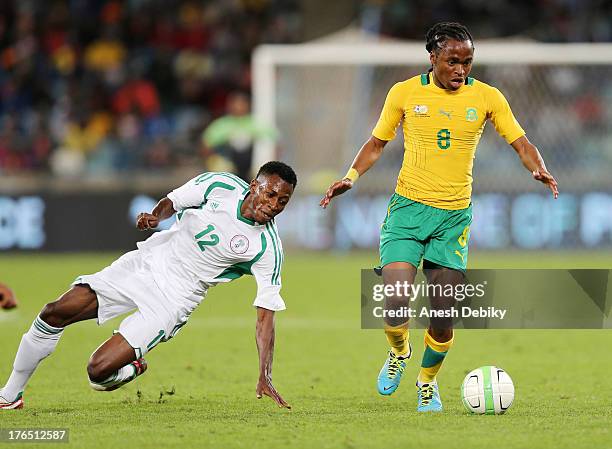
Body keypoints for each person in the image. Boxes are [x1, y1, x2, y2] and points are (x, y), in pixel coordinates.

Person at [320, 22, 558, 412]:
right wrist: (349, 177)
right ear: (432, 58)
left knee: (443, 316)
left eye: (466, 62)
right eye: (452, 61)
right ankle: (399, 352)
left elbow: (521, 142)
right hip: (408, 210)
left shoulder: (487, 97)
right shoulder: (404, 93)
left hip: (453, 218)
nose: (460, 70)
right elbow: (377, 143)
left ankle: (427, 382)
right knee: (395, 300)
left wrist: (537, 166)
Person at [1, 161, 296, 410]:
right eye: (270, 194)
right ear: (253, 185)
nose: (274, 205)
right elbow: (172, 202)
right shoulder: (219, 185)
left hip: (173, 300)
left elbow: (265, 318)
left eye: (282, 201)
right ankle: (11, 395)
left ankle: (131, 367)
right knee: (55, 312)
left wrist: (265, 374)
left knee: (98, 371)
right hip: (145, 265)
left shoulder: (267, 247)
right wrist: (157, 217)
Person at [201, 91, 277, 181]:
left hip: (252, 166)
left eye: (242, 103)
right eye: (235, 103)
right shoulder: (221, 125)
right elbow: (206, 146)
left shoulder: (257, 124)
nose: (239, 107)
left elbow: (274, 143)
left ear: (248, 105)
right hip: (228, 165)